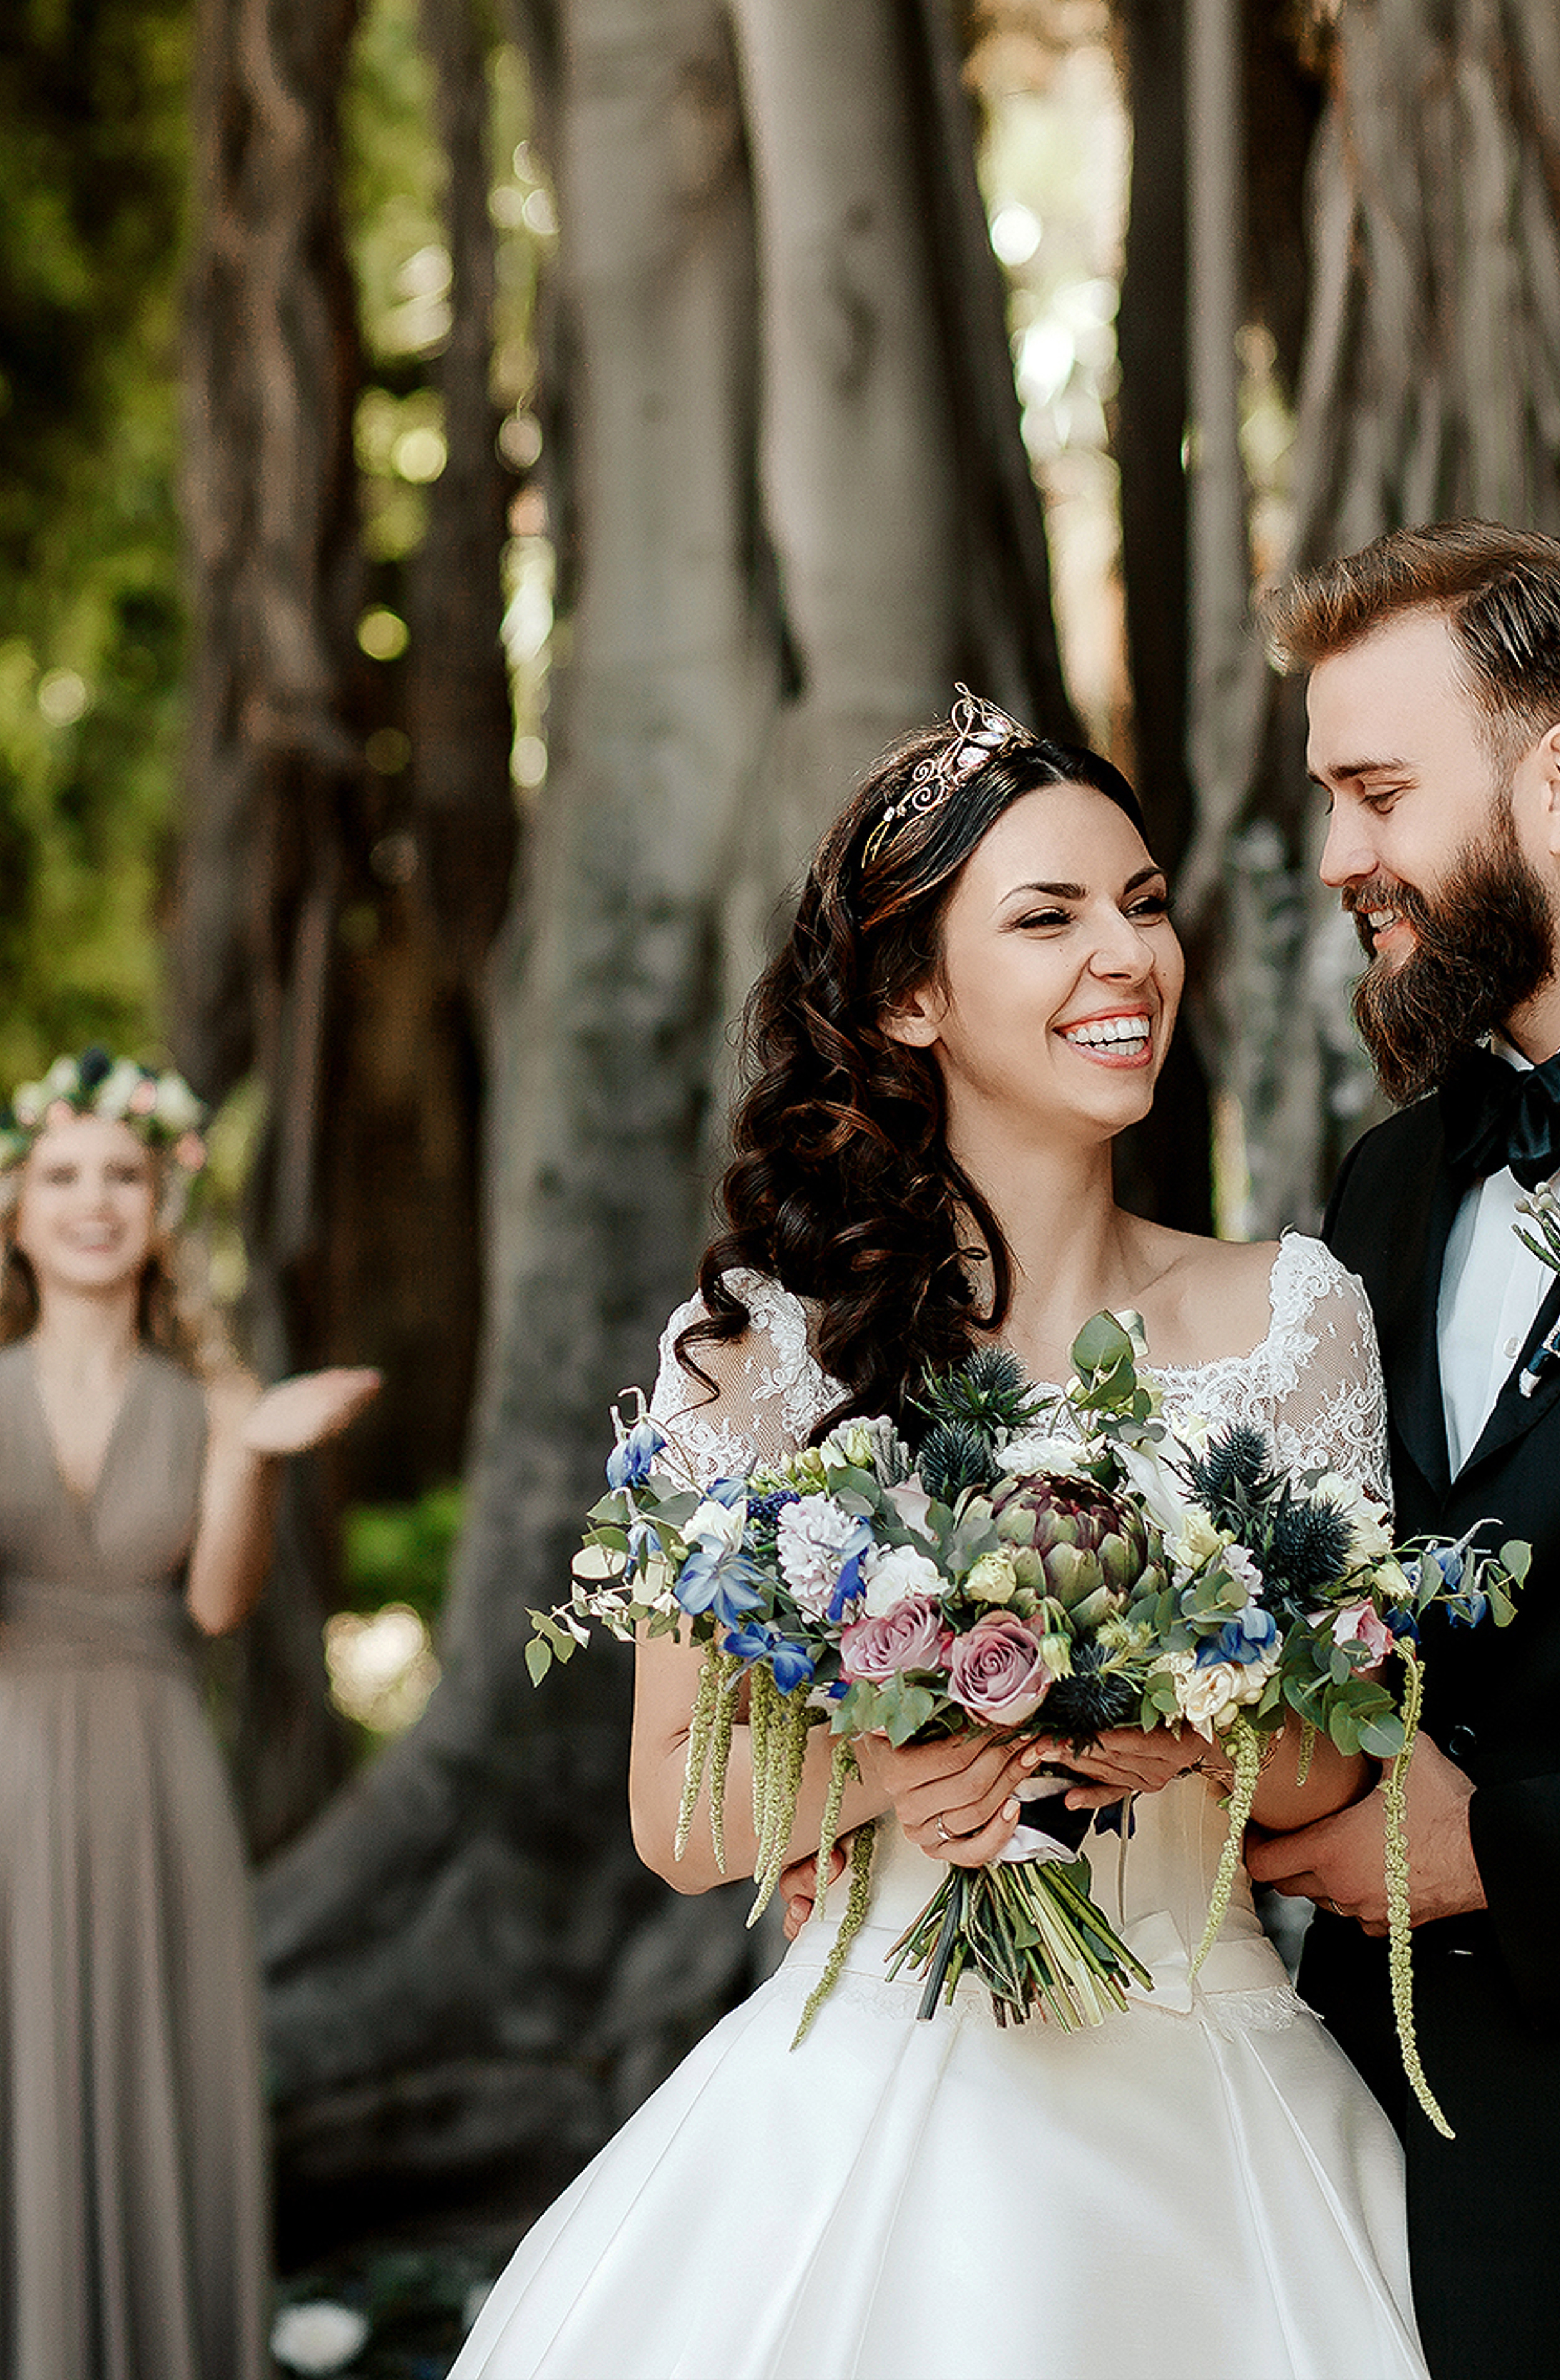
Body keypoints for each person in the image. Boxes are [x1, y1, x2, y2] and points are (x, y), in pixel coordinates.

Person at [452, 694, 1425, 2380]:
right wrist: (891, 1767)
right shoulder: (759, 1356)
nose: (1124, 956)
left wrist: (1187, 1721)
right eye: (1047, 918)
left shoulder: (1292, 1314)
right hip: (868, 2078)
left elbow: (1334, 1772)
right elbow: (676, 1812)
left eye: (1141, 902)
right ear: (911, 997)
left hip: (1208, 2085)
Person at [1244, 521, 1560, 2380]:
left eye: (1377, 794)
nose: (1335, 860)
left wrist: (1510, 1858)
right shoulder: (1386, 1185)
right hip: (1365, 2136)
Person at [0, 1048, 380, 2380]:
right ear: (16, 1210)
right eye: (62, 1176)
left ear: (161, 1210)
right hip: (8, 1766)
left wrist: (258, 1457)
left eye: (123, 1175)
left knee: (151, 2065)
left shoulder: (218, 1404)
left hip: (155, 1770)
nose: (93, 1201)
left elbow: (218, 1604)